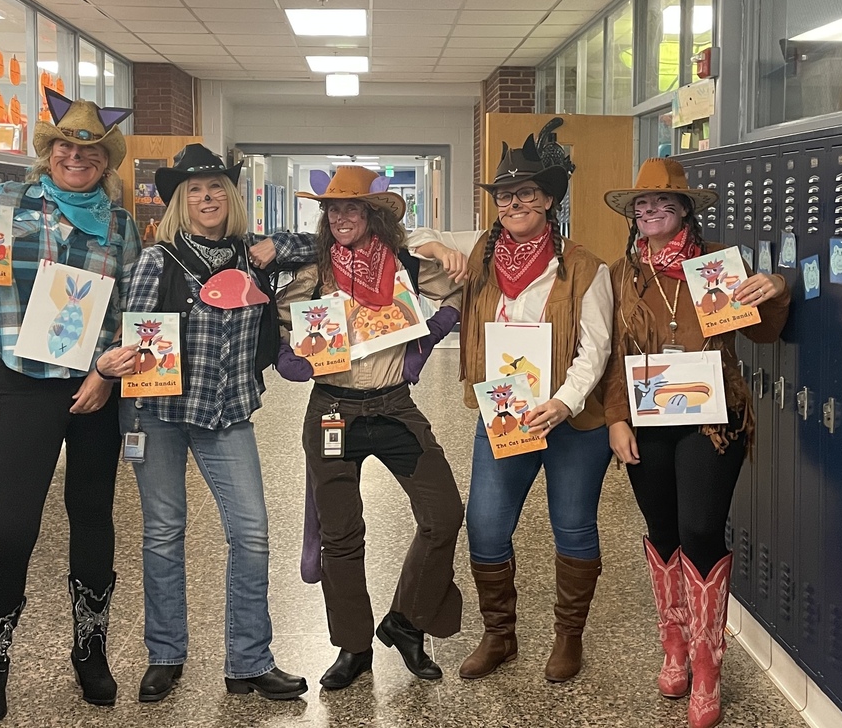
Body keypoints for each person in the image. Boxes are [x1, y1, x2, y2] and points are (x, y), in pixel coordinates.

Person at [0, 89, 140, 727]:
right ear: (49, 151)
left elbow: (128, 310)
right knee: (13, 525)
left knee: (93, 519)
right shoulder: (7, 205)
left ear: (104, 160)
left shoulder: (122, 225)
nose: (77, 156)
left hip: (100, 383)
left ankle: (90, 649)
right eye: (67, 145)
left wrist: (105, 371)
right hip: (28, 380)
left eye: (90, 150)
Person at [95, 143, 314, 703]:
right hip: (158, 413)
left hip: (228, 413)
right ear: (179, 202)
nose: (207, 197)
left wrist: (275, 244)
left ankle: (249, 660)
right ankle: (165, 653)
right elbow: (135, 331)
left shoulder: (251, 257)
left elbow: (325, 246)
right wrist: (114, 363)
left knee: (253, 534)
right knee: (164, 534)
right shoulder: (158, 259)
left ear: (231, 196)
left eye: (216, 187)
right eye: (194, 190)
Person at [601, 158, 790, 728]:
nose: (649, 210)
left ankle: (708, 665)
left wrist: (776, 285)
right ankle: (676, 646)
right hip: (649, 414)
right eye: (641, 204)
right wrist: (616, 419)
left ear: (684, 210)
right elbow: (613, 357)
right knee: (663, 531)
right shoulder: (620, 274)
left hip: (714, 416)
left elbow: (763, 330)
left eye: (662, 202)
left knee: (700, 528)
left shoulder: (717, 265)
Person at [275, 165, 464, 690]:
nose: (341, 217)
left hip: (394, 409)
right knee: (340, 534)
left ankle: (406, 622)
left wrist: (428, 339)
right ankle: (353, 647)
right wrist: (291, 355)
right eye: (333, 209)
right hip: (333, 412)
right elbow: (276, 319)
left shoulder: (405, 265)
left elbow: (460, 290)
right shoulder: (315, 272)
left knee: (444, 513)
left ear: (373, 214)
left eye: (352, 208)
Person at [454, 133, 614, 684]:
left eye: (525, 194)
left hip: (574, 421)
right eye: (504, 197)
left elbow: (597, 348)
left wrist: (564, 403)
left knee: (572, 527)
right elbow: (419, 244)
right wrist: (436, 249)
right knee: (486, 527)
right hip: (503, 414)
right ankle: (499, 634)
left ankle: (568, 638)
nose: (513, 205)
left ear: (548, 199)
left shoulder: (586, 266)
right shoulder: (480, 258)